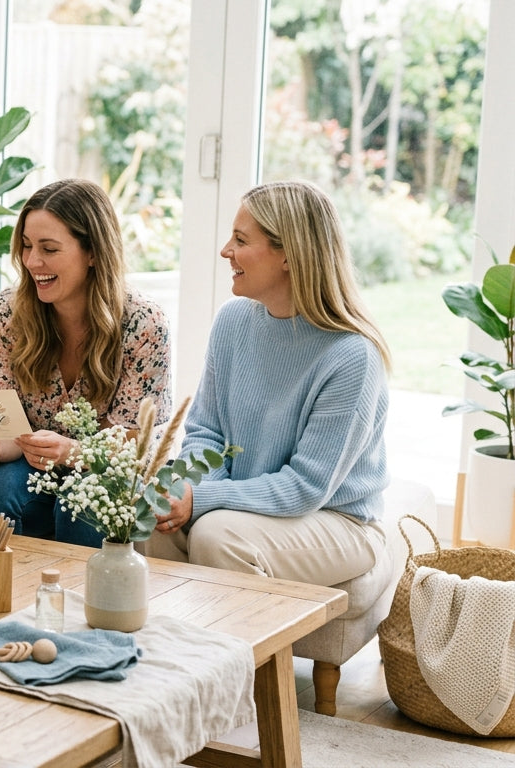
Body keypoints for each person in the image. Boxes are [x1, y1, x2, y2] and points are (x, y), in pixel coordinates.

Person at [145, 180, 390, 588]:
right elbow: (206, 432)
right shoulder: (232, 321)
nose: (226, 251)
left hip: (337, 520)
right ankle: (179, 631)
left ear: (289, 255)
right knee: (153, 520)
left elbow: (307, 486)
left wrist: (203, 499)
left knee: (216, 535)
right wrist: (186, 491)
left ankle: (244, 634)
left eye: (241, 240)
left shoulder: (351, 356)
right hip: (247, 506)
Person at [0, 178, 171, 546]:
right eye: (27, 246)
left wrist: (73, 451)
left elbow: (135, 442)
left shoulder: (143, 323)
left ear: (93, 253)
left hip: (106, 469)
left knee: (83, 500)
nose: (32, 261)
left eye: (49, 248)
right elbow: (7, 427)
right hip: (30, 467)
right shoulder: (7, 312)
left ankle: (75, 587)